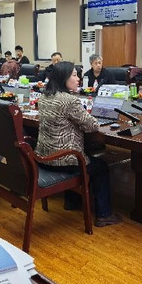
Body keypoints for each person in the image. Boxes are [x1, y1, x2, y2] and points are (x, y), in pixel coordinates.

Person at [35, 62, 122, 227]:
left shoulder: (44, 96)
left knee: (77, 153)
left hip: (44, 157)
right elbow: (92, 126)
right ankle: (104, 215)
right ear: (63, 78)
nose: (78, 79)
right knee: (101, 167)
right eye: (74, 75)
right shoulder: (69, 100)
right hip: (63, 161)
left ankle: (72, 201)